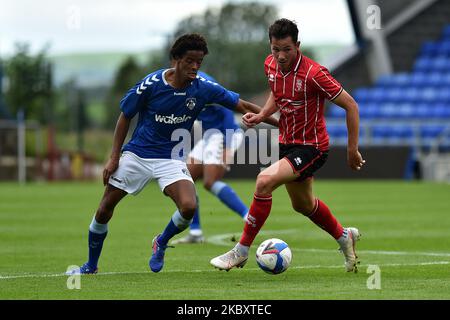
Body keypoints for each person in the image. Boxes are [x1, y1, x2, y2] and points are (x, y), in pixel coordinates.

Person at [71, 33, 278, 274]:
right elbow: (125, 115)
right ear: (176, 59)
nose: (195, 66)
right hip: (137, 154)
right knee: (105, 207)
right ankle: (91, 265)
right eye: (190, 60)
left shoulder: (203, 87)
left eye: (199, 62)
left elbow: (242, 105)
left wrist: (279, 123)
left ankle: (161, 241)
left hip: (170, 158)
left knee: (188, 206)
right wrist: (114, 156)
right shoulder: (152, 84)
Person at [210, 19, 366, 273]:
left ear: (298, 46)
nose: (280, 56)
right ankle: (343, 236)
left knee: (264, 181)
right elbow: (277, 93)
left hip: (312, 147)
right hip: (287, 143)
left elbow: (351, 105)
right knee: (303, 205)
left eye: (286, 49)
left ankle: (240, 251)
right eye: (275, 49)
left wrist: (352, 148)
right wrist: (262, 115)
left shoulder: (315, 74)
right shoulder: (270, 65)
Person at [171, 71, 249, 244]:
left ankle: (250, 218)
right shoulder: (179, 86)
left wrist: (228, 147)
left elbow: (228, 111)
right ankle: (196, 232)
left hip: (225, 134)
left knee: (209, 182)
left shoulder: (205, 83)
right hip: (210, 135)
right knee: (185, 179)